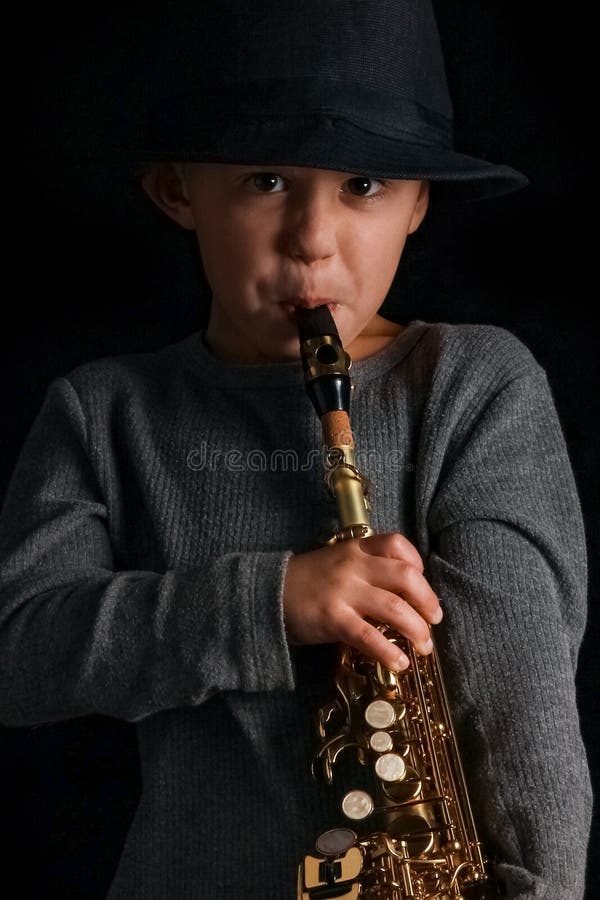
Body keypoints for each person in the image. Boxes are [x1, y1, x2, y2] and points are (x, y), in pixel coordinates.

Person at [0, 2, 592, 898]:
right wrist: (267, 602)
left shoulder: (474, 385)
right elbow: (17, 655)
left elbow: (527, 718)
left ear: (419, 204)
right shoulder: (102, 410)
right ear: (176, 190)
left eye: (365, 185)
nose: (314, 241)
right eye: (266, 181)